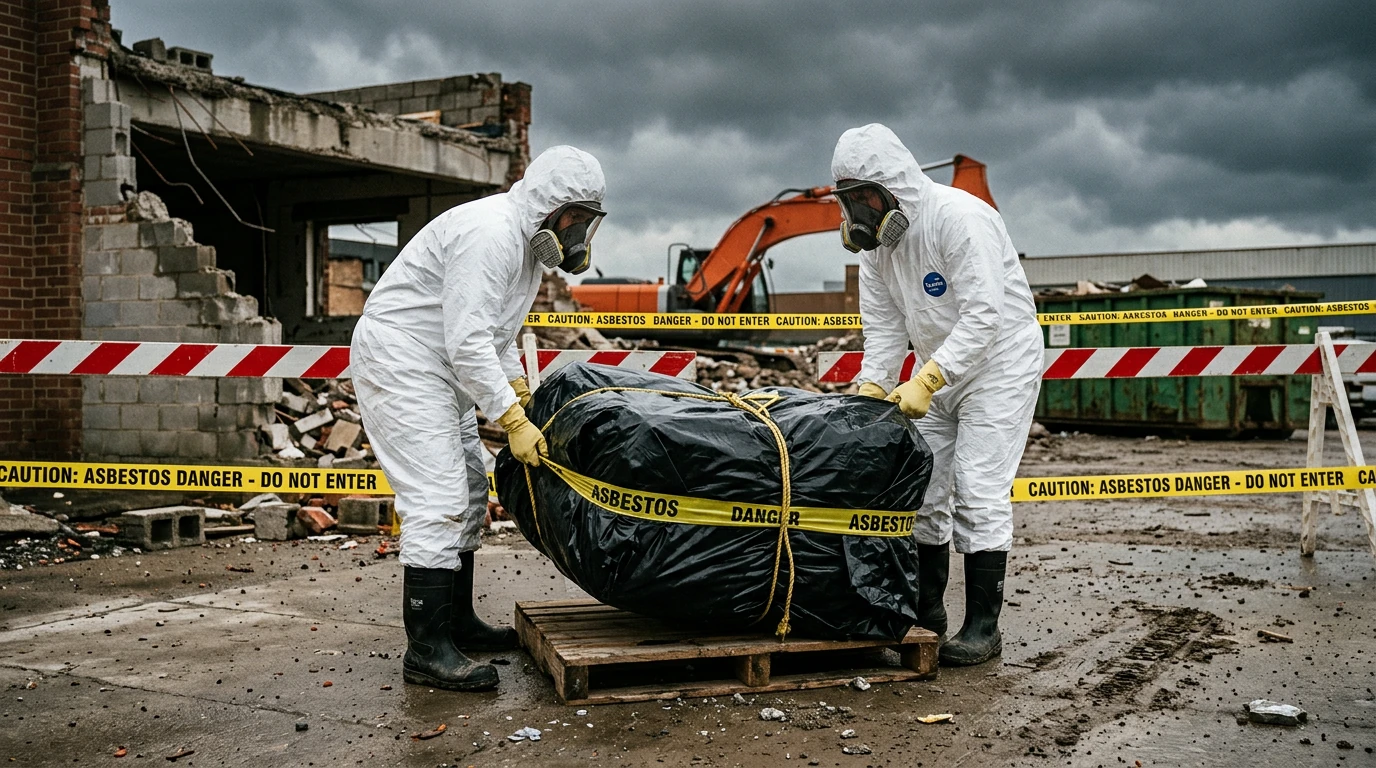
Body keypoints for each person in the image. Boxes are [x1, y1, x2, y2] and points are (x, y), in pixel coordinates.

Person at [351, 146, 606, 690]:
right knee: (437, 496)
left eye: (586, 223)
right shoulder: (490, 234)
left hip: (439, 365)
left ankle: (456, 624)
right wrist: (512, 421)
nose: (578, 235)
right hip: (404, 360)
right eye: (574, 220)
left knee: (468, 491)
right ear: (549, 206)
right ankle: (426, 649)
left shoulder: (526, 253)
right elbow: (468, 343)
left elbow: (496, 336)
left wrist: (519, 391)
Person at [832, 124, 1042, 666]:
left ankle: (982, 627)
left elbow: (984, 315)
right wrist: (874, 387)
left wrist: (927, 379)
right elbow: (882, 331)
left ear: (894, 186)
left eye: (865, 198)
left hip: (998, 365)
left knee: (977, 489)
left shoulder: (960, 218)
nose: (858, 211)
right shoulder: (876, 249)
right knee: (922, 493)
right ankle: (928, 617)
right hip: (937, 370)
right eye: (849, 200)